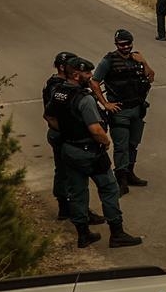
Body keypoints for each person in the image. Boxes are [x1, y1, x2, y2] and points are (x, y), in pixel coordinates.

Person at [57, 56, 143, 249]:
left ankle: (83, 234)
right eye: (87, 73)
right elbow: (95, 129)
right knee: (109, 189)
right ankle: (117, 233)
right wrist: (105, 141)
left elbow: (50, 117)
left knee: (78, 192)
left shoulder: (58, 92)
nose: (90, 76)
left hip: (69, 149)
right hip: (89, 151)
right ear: (77, 75)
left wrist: (68, 133)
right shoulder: (84, 99)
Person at [41, 51, 101, 226]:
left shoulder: (56, 84)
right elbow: (53, 114)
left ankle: (68, 208)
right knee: (71, 176)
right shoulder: (59, 87)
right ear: (62, 67)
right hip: (64, 135)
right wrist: (68, 130)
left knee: (64, 171)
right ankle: (75, 211)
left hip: (60, 133)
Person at [93, 28, 155, 191]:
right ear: (116, 45)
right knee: (121, 147)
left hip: (137, 108)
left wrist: (144, 62)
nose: (125, 47)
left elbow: (151, 77)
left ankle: (129, 174)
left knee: (133, 144)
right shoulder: (109, 61)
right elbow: (94, 82)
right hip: (119, 111)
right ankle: (121, 180)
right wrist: (105, 103)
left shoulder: (137, 59)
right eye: (121, 45)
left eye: (128, 44)